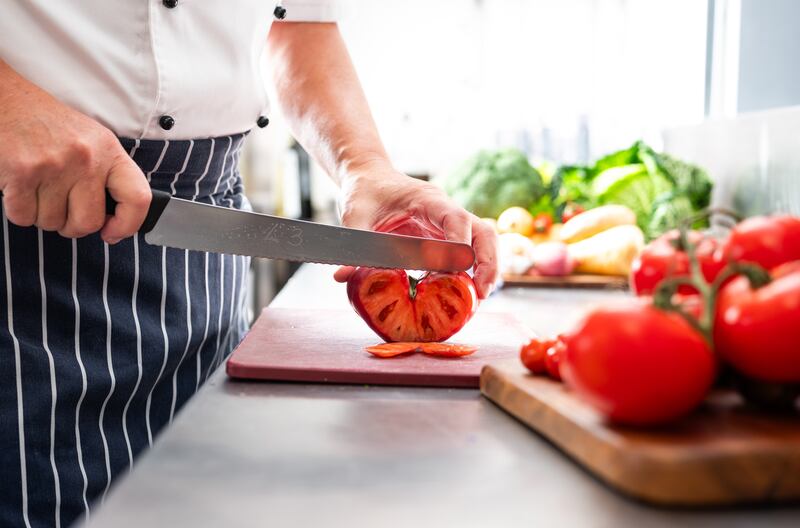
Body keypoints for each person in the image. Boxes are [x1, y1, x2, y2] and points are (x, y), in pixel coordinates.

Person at [0, 1, 497, 526]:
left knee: (195, 502)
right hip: (27, 208)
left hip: (204, 234)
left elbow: (299, 27)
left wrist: (365, 167)